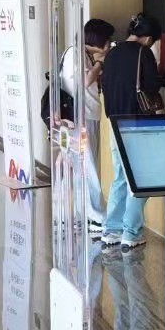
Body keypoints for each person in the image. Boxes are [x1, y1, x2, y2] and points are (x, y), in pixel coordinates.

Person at [99, 12, 163, 250]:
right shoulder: (143, 53)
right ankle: (131, 232)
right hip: (137, 124)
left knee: (119, 176)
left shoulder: (112, 53)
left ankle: (112, 230)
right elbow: (152, 85)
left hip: (115, 122)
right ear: (148, 38)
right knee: (140, 178)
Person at [60, 17, 114, 230]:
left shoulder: (79, 53)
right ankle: (95, 215)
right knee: (88, 166)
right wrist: (101, 62)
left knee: (82, 165)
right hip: (81, 117)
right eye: (107, 39)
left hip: (82, 116)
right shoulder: (76, 54)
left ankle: (78, 213)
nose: (109, 43)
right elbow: (85, 81)